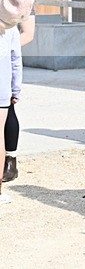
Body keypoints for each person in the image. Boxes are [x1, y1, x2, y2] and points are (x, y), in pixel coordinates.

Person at [4, 0, 33, 185]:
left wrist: (7, 52)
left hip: (7, 57)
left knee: (8, 110)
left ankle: (10, 160)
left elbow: (28, 34)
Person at [0, 21, 22, 204]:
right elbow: (16, 59)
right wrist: (16, 89)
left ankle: (11, 159)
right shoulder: (11, 27)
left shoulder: (11, 28)